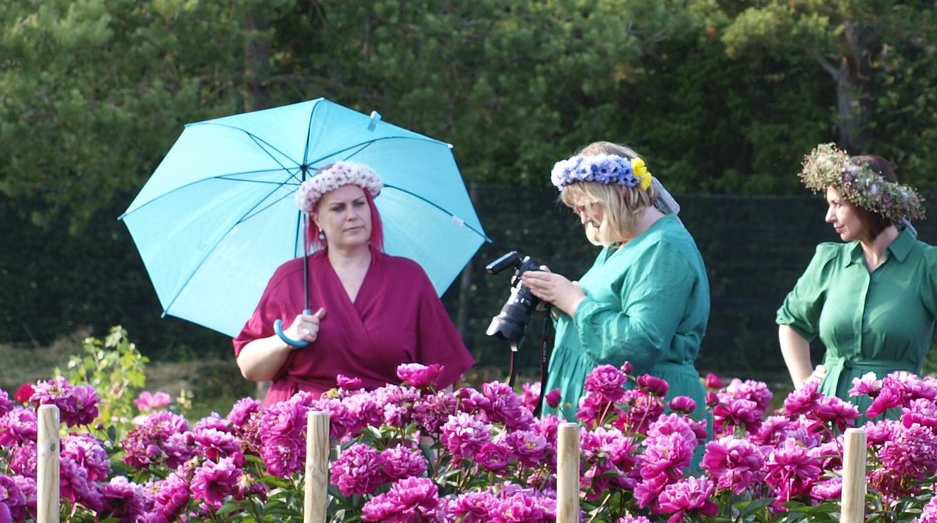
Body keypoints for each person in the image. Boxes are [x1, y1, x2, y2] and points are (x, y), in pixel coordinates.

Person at [234, 160, 473, 402]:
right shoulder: (290, 279)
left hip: (384, 422)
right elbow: (249, 367)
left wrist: (434, 424)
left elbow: (441, 375)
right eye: (338, 208)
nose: (352, 215)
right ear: (317, 220)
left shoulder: (409, 278)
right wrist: (285, 339)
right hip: (302, 420)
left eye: (359, 204)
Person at [775, 146, 937, 397]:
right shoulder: (828, 260)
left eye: (837, 204)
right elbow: (791, 323)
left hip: (895, 415)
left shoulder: (929, 265)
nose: (829, 216)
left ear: (867, 203)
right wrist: (804, 384)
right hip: (828, 411)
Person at [517, 142, 710, 416]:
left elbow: (639, 344)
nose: (584, 220)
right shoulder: (621, 245)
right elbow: (601, 317)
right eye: (578, 211)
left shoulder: (664, 248)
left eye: (587, 207)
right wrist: (556, 298)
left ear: (619, 192)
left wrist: (574, 303)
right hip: (611, 407)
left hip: (641, 415)